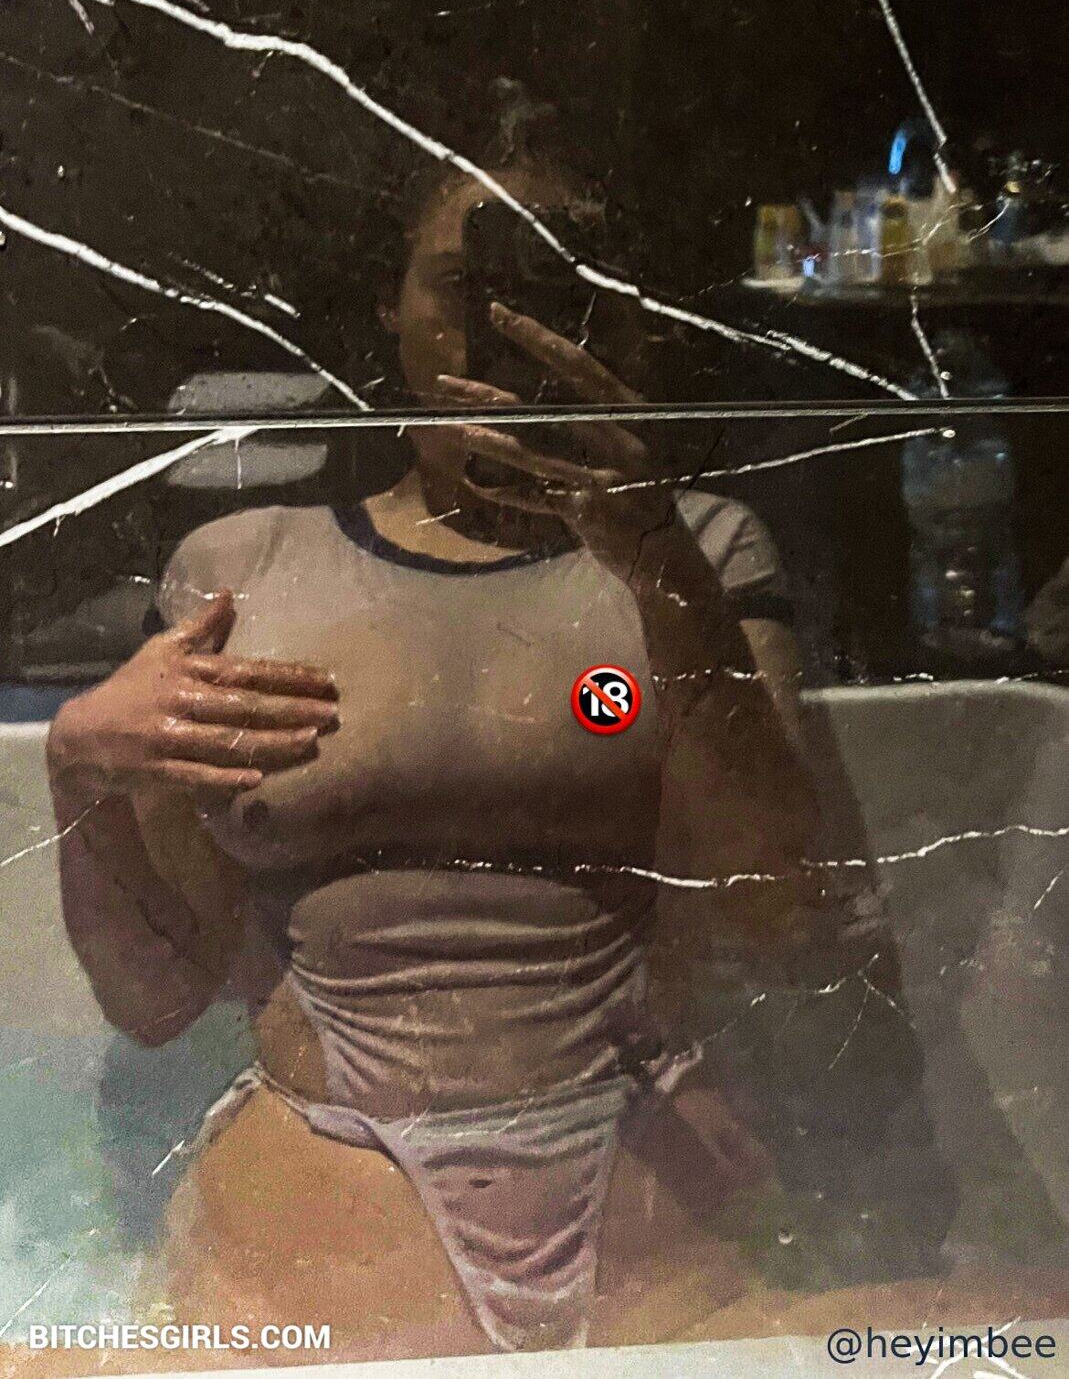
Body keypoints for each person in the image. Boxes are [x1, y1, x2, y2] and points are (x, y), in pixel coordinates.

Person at [44, 90, 914, 1356]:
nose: (507, 330)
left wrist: (657, 561)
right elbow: (157, 998)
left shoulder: (705, 554)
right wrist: (77, 768)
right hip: (315, 1222)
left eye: (553, 287)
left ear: (617, 315)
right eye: (466, 284)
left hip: (653, 1217)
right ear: (391, 306)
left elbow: (778, 918)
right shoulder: (243, 569)